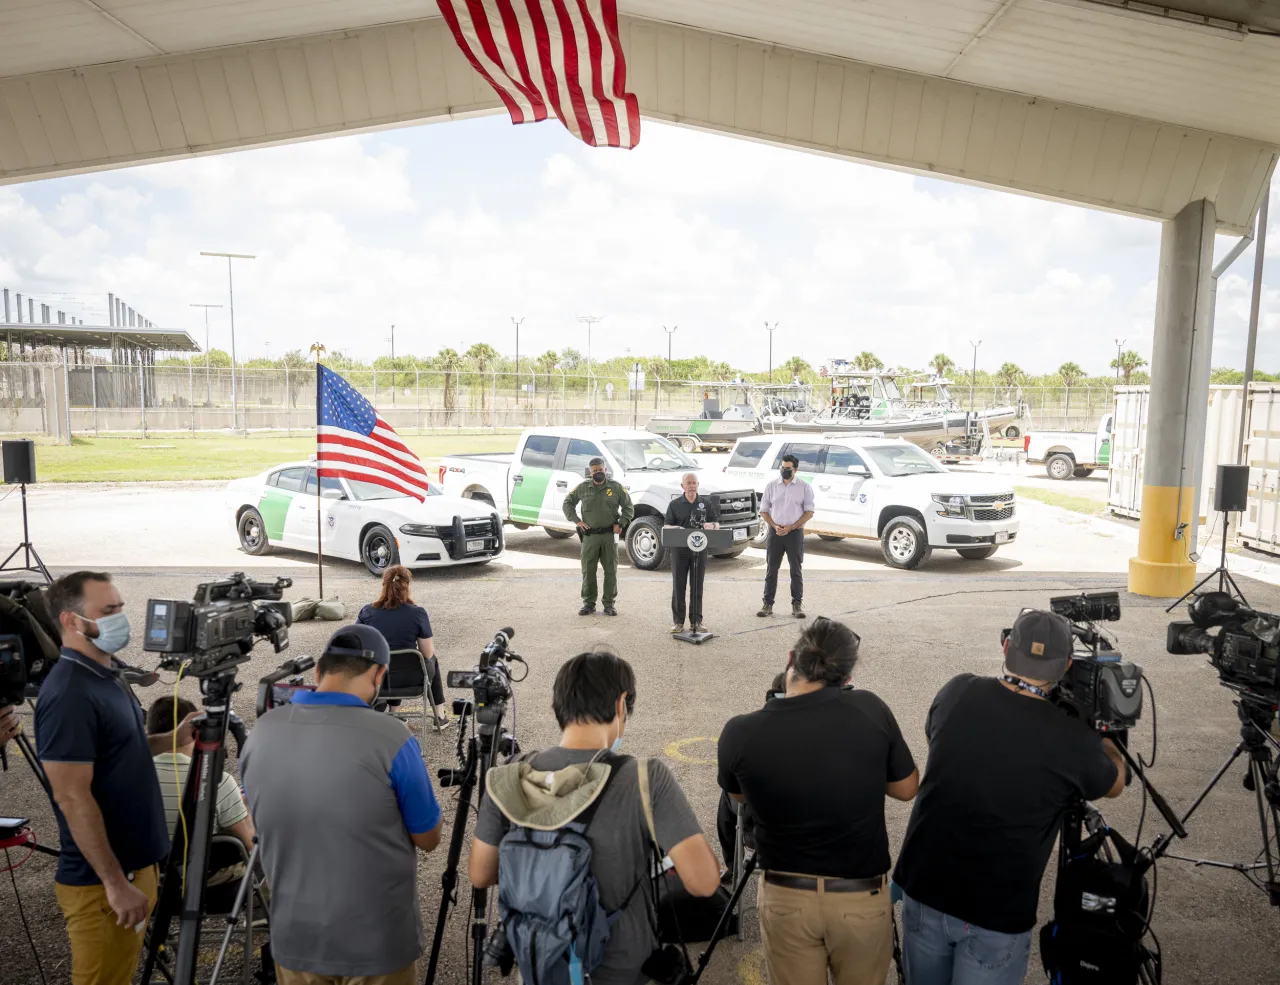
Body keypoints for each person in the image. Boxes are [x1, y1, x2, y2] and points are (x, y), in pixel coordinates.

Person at [893, 609, 1127, 985]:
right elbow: (1114, 783)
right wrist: (1106, 736)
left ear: (1006, 648)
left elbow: (937, 738)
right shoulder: (1071, 738)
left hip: (924, 887)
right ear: (1066, 665)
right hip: (996, 912)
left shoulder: (958, 690)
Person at [470, 648, 720, 985]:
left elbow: (481, 874)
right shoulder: (645, 779)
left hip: (541, 965)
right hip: (623, 970)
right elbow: (703, 882)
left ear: (559, 706)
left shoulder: (509, 776)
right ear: (621, 705)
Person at [717, 617, 918, 985]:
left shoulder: (740, 732)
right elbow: (906, 788)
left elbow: (737, 797)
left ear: (790, 657)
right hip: (860, 898)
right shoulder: (871, 710)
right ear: (846, 677)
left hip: (785, 898)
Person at [241, 624, 443, 985]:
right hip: (377, 941)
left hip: (295, 936)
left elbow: (258, 815)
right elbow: (428, 838)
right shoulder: (391, 737)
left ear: (318, 672)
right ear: (379, 673)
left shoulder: (261, 733)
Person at [35, 571, 192, 985]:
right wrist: (114, 883)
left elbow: (121, 751)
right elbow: (71, 796)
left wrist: (169, 740)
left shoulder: (107, 673)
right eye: (108, 611)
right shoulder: (69, 693)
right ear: (71, 621)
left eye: (120, 607)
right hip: (103, 886)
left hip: (134, 872)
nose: (120, 618)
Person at [147, 695, 255, 883]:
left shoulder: (132, 778)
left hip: (150, 883)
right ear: (195, 731)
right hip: (210, 888)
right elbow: (249, 846)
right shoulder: (219, 781)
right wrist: (248, 812)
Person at [357, 564, 452, 728]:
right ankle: (439, 716)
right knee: (431, 661)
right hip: (411, 678)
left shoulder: (368, 612)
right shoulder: (417, 613)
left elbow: (356, 643)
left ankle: (395, 712)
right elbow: (428, 653)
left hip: (377, 678)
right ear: (407, 586)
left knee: (388, 659)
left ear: (384, 585)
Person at [563, 457, 634, 617]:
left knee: (610, 571)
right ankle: (588, 604)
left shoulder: (616, 488)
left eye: (600, 470)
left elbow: (629, 507)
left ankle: (609, 604)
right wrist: (577, 521)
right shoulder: (583, 488)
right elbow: (567, 503)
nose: (598, 473)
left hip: (609, 536)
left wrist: (621, 523)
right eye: (595, 471)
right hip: (590, 537)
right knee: (588, 571)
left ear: (605, 470)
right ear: (590, 472)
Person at [757, 453, 814, 619]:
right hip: (775, 533)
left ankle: (797, 605)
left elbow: (809, 512)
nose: (784, 470)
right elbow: (764, 510)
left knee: (796, 570)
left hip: (794, 533)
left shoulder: (804, 487)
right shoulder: (771, 486)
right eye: (782, 467)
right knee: (771, 569)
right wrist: (775, 526)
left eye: (788, 468)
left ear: (795, 469)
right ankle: (768, 603)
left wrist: (791, 527)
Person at [663, 472, 720, 634]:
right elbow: (666, 526)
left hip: (699, 550)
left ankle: (696, 621)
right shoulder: (674, 505)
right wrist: (677, 529)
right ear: (682, 486)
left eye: (694, 483)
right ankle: (678, 622)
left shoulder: (706, 504)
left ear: (698, 485)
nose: (692, 486)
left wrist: (712, 526)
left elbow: (717, 524)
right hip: (679, 551)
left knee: (697, 585)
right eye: (688, 483)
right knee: (678, 586)